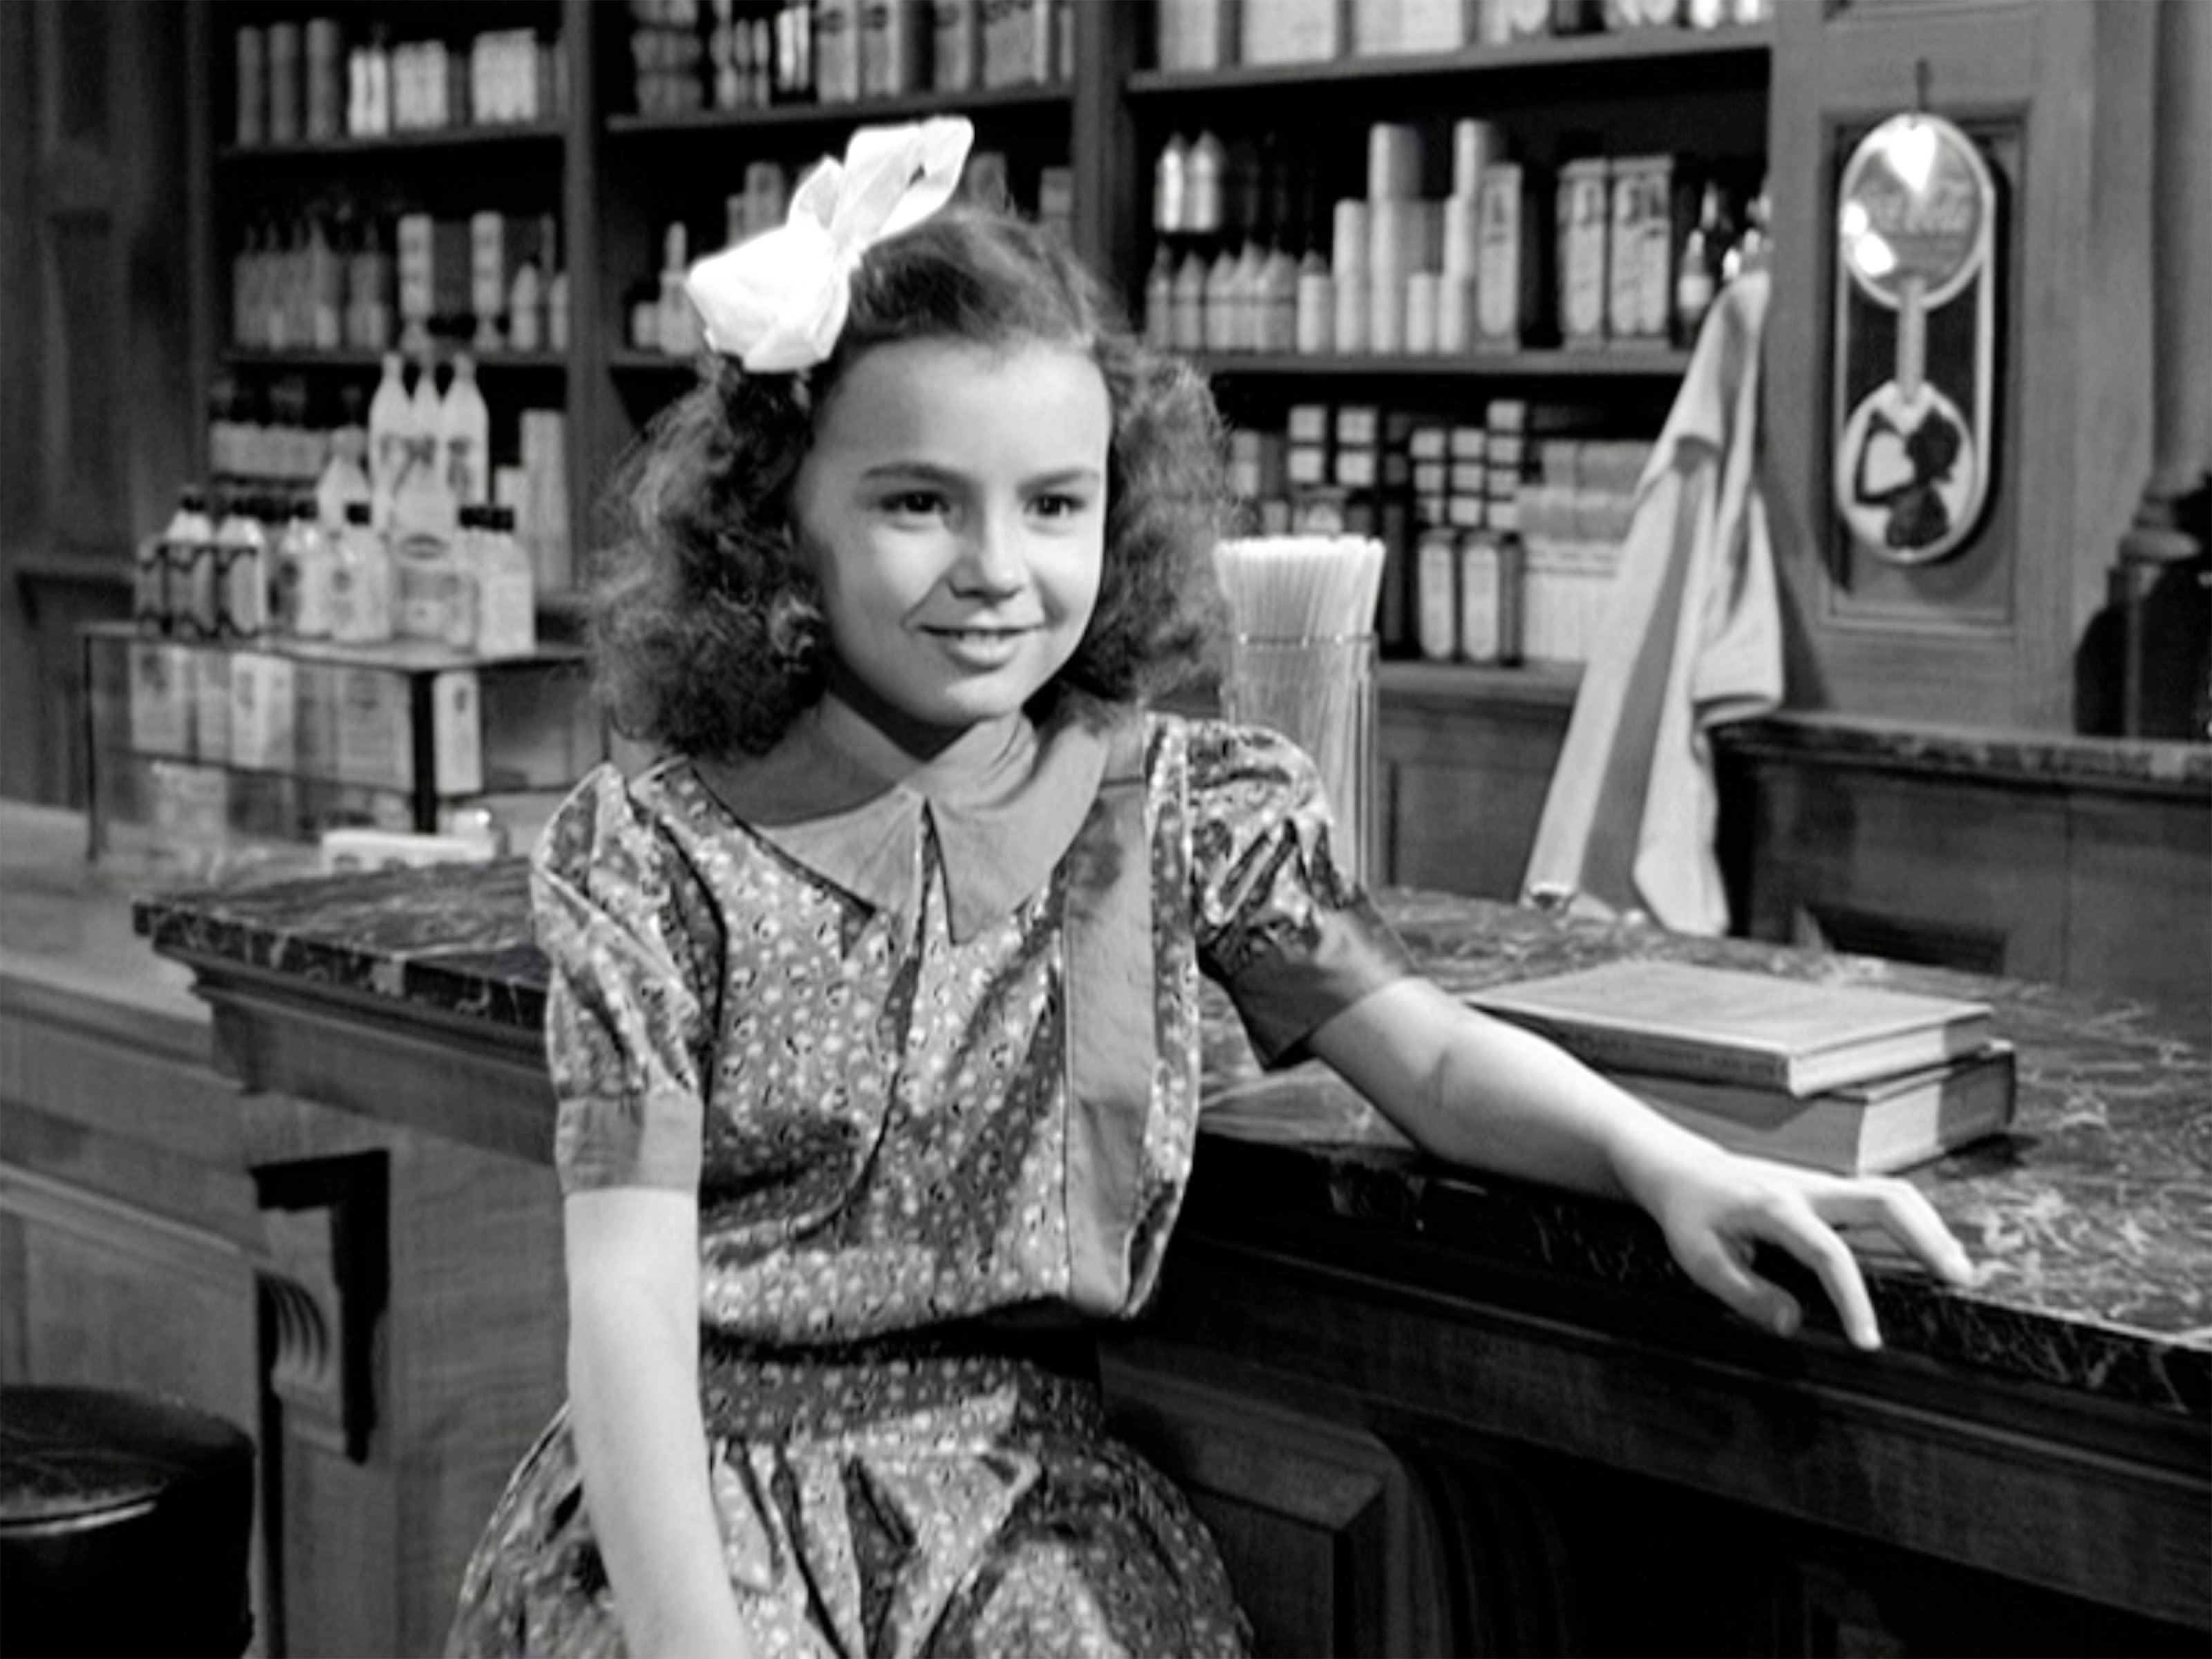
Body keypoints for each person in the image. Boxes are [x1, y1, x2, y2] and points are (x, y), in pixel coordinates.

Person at [448, 117, 1977, 1659]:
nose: (996, 566)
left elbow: (1430, 1060)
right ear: (782, 519)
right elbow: (627, 1320)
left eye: (1053, 503)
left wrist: (1671, 1167)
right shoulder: (651, 851)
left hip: (1019, 1517)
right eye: (918, 503)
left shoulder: (1184, 803)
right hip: (699, 1521)